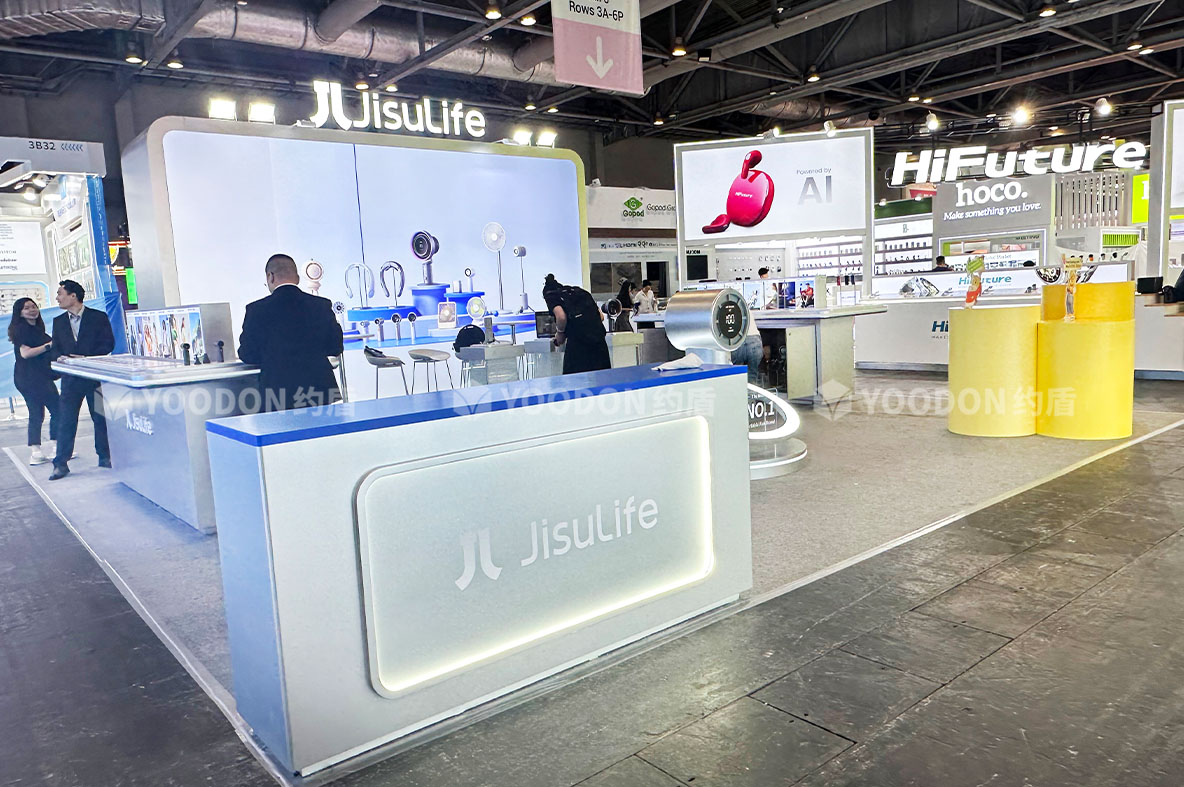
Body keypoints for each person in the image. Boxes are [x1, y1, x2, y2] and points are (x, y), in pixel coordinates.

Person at [238, 254, 345, 412]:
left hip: (277, 394)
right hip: (319, 391)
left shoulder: (256, 310)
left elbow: (247, 354)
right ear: (297, 277)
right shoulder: (321, 305)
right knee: (321, 429)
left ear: (270, 276)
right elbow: (335, 347)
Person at [49, 279, 115, 480]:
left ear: (73, 296)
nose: (57, 298)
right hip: (70, 379)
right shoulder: (59, 322)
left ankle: (105, 456)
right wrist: (60, 358)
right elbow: (55, 349)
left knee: (100, 418)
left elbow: (108, 344)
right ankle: (61, 463)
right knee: (66, 420)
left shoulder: (98, 317)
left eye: (60, 293)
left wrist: (87, 358)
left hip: (94, 376)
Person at [8, 298, 58, 465]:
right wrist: (50, 345)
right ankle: (53, 447)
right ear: (20, 313)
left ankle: (37, 451)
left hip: (38, 376)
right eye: (26, 308)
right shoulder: (21, 330)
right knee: (56, 410)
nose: (32, 310)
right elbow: (26, 354)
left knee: (38, 412)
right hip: (30, 378)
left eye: (34, 306)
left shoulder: (38, 330)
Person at [542, 274, 611, 374]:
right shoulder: (581, 292)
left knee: (574, 379)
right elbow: (601, 316)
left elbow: (561, 316)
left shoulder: (551, 295)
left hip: (578, 344)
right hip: (599, 342)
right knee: (603, 377)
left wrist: (560, 333)